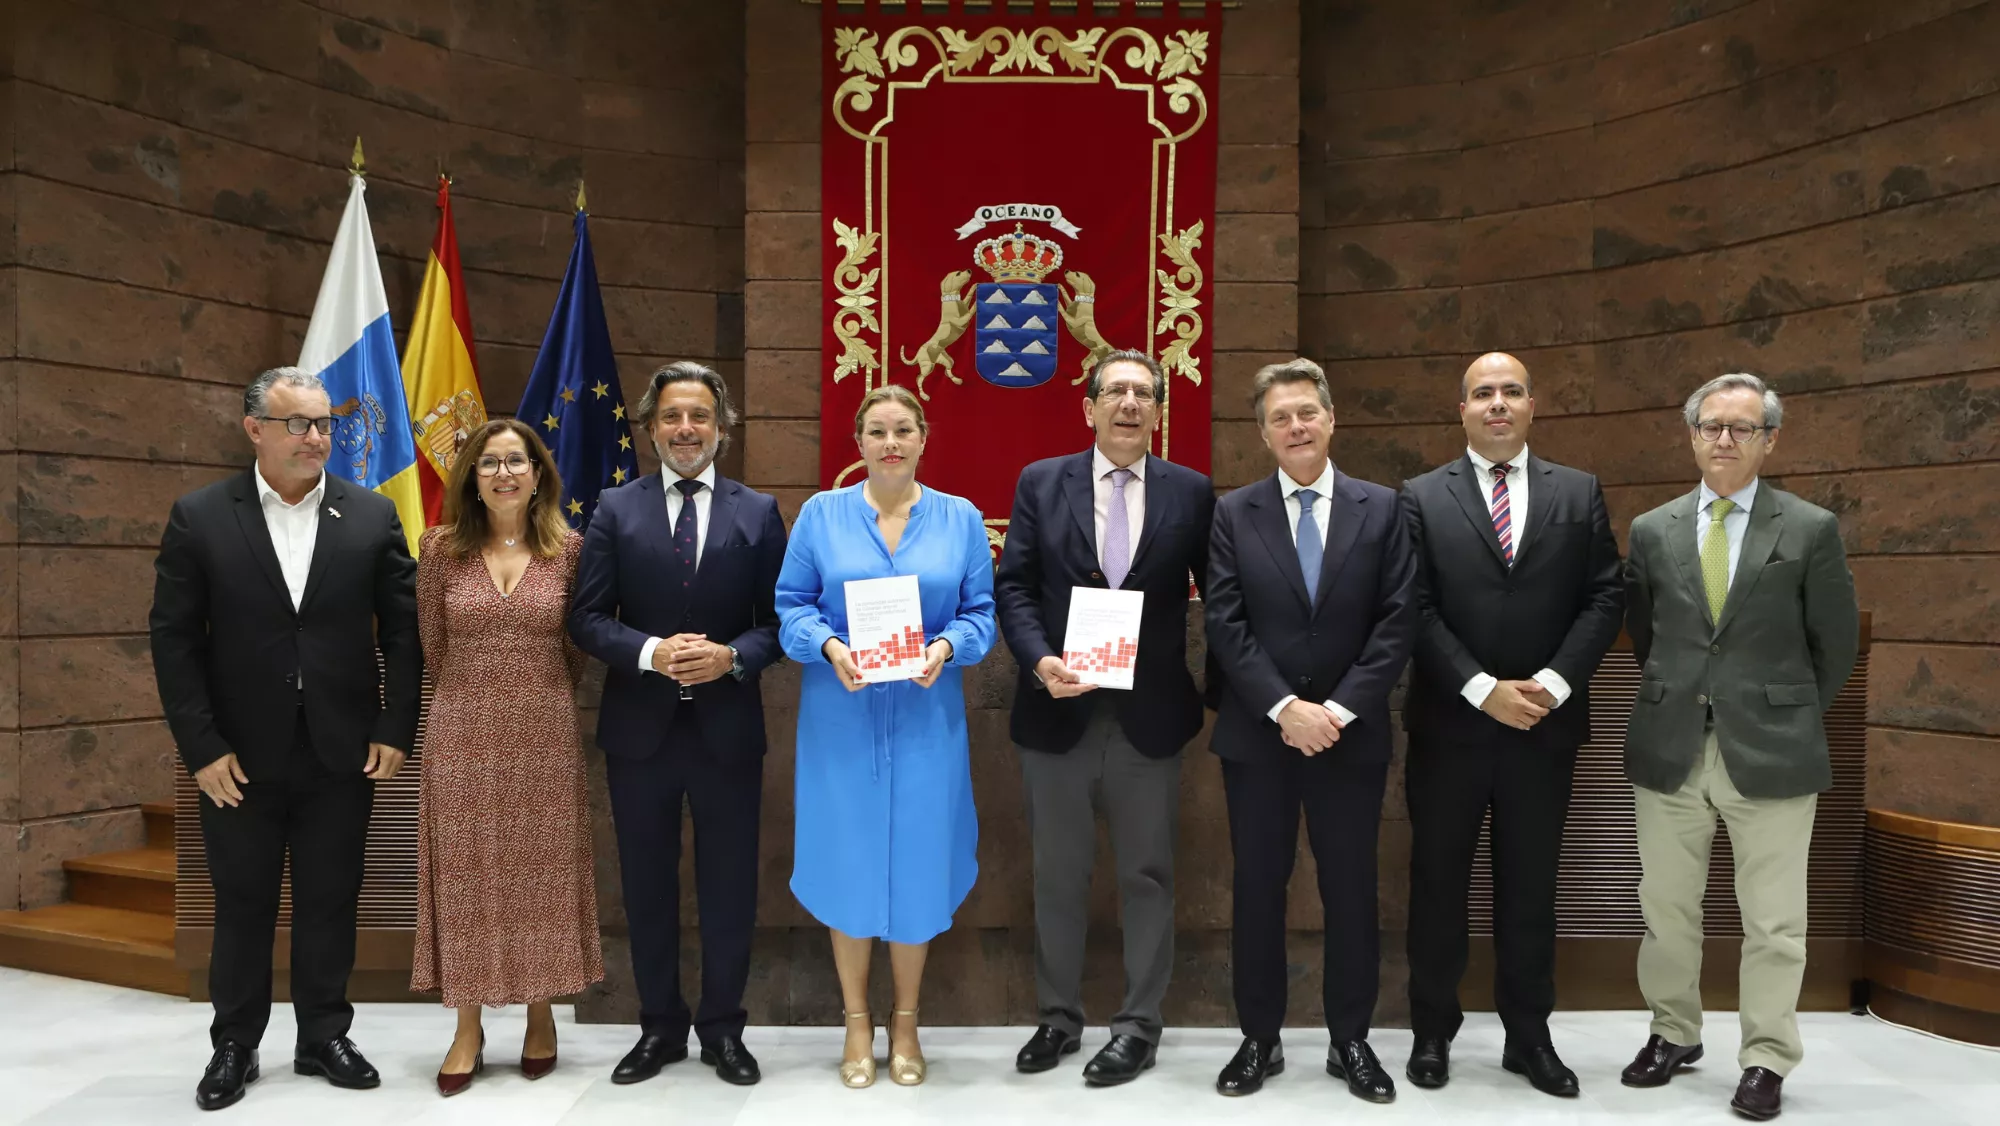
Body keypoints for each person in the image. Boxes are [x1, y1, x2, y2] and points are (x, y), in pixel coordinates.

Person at [150, 366, 421, 1111]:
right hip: (236, 756)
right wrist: (201, 747)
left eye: (325, 423)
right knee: (242, 903)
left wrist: (398, 724)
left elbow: (403, 632)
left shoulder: (371, 516)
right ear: (255, 430)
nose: (316, 437)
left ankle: (323, 1034)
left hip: (343, 747)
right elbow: (173, 640)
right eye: (299, 424)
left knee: (332, 899)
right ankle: (235, 1043)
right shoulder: (201, 516)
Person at [1619, 373, 1858, 1122]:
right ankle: (1672, 1033)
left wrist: (1783, 712)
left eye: (1742, 428)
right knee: (1665, 907)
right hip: (1672, 744)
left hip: (1773, 749)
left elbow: (1835, 643)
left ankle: (1765, 1058)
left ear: (1769, 440)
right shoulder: (1653, 528)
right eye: (1712, 426)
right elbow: (1644, 633)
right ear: (1691, 435)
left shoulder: (1810, 528)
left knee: (1776, 920)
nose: (1725, 439)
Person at [1397, 353, 1623, 1097]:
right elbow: (1414, 605)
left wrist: (1555, 684)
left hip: (1542, 729)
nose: (1498, 403)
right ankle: (1432, 1032)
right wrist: (1479, 687)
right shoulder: (1420, 497)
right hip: (1449, 727)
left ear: (1533, 406)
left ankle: (1529, 1036)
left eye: (1511, 392)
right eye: (1483, 393)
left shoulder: (1579, 491)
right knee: (1437, 886)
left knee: (1531, 890)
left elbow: (1603, 597)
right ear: (1461, 410)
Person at [995, 350, 1215, 1085]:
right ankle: (1058, 1018)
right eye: (1114, 391)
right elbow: (1015, 587)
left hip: (1148, 716)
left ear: (1158, 411)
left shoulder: (1191, 492)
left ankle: (1137, 1025)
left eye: (1142, 394)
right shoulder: (1039, 481)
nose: (1128, 403)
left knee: (1147, 874)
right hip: (1057, 708)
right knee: (1057, 874)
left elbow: (1224, 597)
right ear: (1087, 406)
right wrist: (1037, 659)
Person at [568, 362, 788, 1087]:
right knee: (646, 885)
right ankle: (658, 1027)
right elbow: (587, 618)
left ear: (722, 426)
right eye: (671, 417)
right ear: (651, 426)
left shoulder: (757, 511)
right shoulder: (613, 509)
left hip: (728, 731)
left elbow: (781, 625)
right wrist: (651, 652)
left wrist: (732, 657)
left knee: (730, 886)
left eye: (698, 416)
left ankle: (724, 1028)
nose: (685, 429)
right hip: (640, 734)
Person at [1203, 358, 1415, 1103]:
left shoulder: (1384, 509)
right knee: (1258, 889)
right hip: (1259, 739)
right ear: (1263, 434)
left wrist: (1337, 710)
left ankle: (1349, 1038)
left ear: (1331, 420)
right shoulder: (1233, 513)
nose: (1295, 426)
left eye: (1306, 412)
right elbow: (1224, 624)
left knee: (1351, 889)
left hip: (1350, 738)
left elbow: (1397, 622)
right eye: (1279, 417)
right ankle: (1258, 1038)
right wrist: (1284, 709)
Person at [776, 384, 997, 1089]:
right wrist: (831, 645)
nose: (891, 442)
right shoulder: (821, 515)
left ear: (924, 438)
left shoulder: (960, 519)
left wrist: (946, 648)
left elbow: (981, 615)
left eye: (904, 429)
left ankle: (905, 1021)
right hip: (841, 723)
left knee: (920, 863)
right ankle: (854, 1023)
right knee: (848, 860)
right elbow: (790, 609)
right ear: (859, 442)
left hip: (929, 722)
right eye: (877, 431)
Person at [411, 419, 602, 1095]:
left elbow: (575, 650)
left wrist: (527, 691)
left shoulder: (570, 550)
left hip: (544, 729)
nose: (502, 473)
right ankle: (466, 1024)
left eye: (515, 461)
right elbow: (432, 647)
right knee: (464, 876)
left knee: (540, 874)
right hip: (461, 730)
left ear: (538, 473)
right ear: (470, 475)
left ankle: (540, 1013)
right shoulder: (440, 550)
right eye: (488, 462)